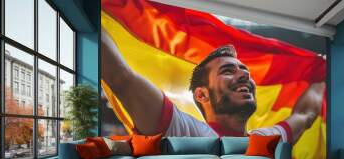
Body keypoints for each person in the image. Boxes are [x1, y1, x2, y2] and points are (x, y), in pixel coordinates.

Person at [101, 29, 325, 145]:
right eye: (228, 71)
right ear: (201, 94)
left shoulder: (265, 139)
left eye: (245, 70)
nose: (244, 74)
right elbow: (121, 76)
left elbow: (305, 114)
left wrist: (324, 71)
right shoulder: (182, 129)